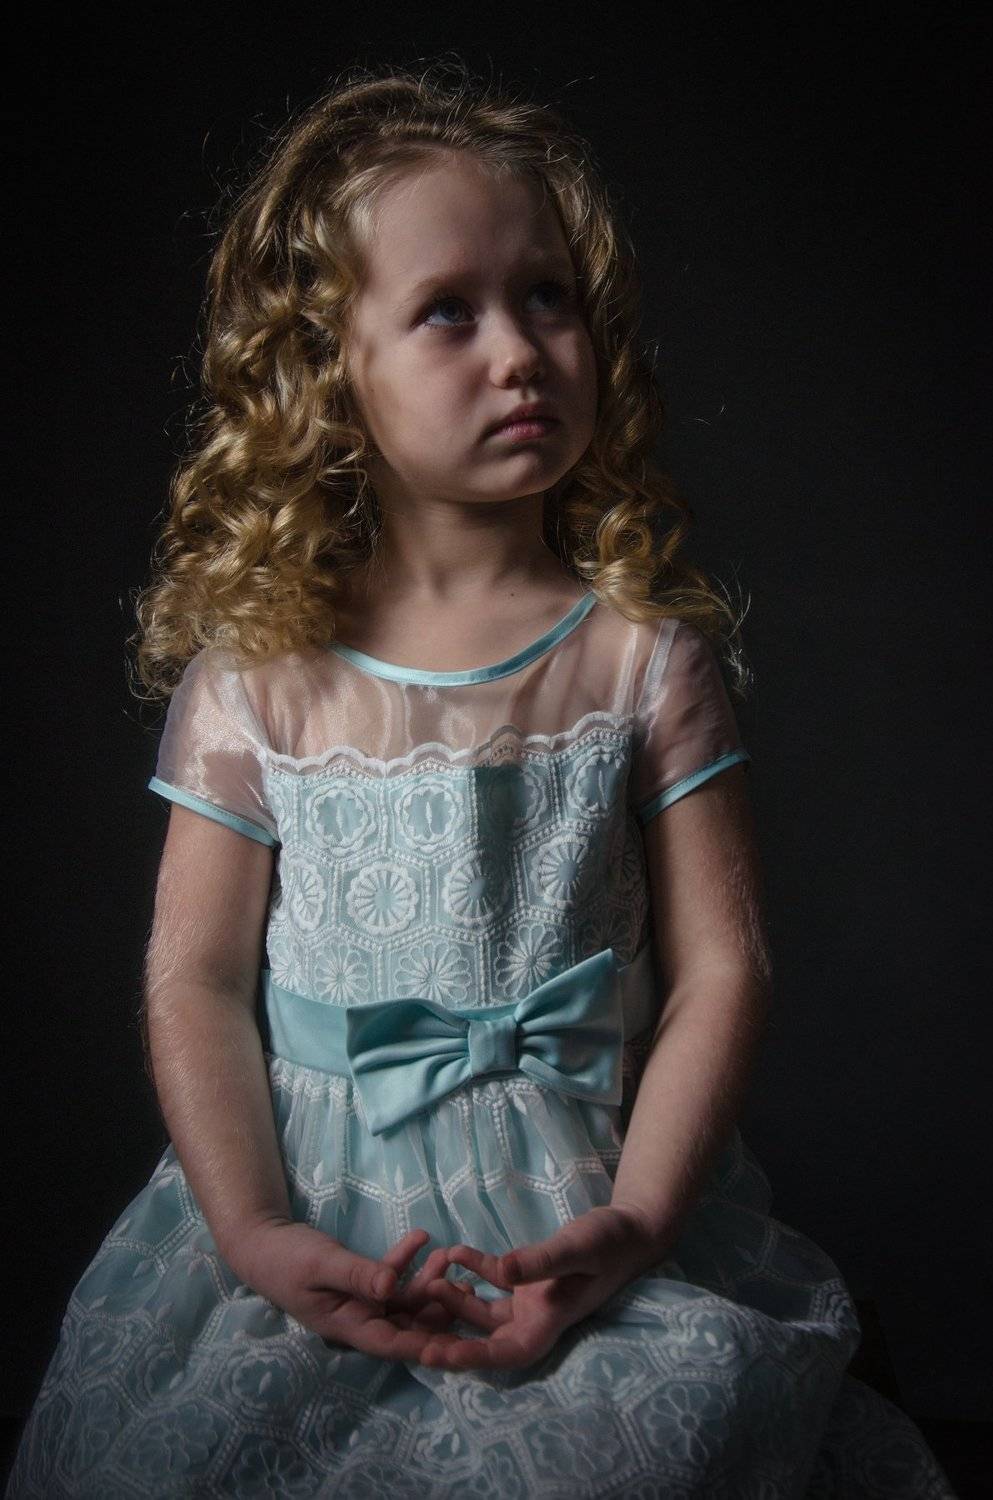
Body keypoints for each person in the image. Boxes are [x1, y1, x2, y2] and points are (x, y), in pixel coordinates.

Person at [7, 60, 955, 1500]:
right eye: (448, 310)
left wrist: (639, 1220)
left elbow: (725, 965)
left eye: (547, 297)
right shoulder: (260, 676)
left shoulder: (640, 657)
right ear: (328, 369)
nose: (519, 351)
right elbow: (192, 979)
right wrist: (255, 1231)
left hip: (585, 1207)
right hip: (318, 1215)